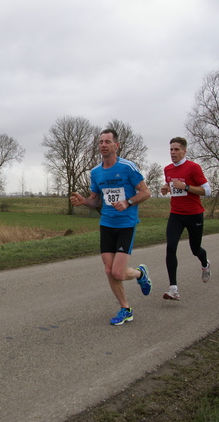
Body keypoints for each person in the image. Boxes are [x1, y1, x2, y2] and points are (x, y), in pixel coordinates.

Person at [70, 129, 153, 326]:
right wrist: (84, 201)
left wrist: (128, 202)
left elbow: (146, 192)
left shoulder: (128, 167)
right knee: (109, 271)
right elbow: (95, 200)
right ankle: (126, 309)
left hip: (126, 225)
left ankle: (141, 273)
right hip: (106, 224)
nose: (103, 145)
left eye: (107, 142)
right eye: (100, 142)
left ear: (117, 145)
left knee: (118, 272)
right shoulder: (96, 172)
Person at [160, 137, 212, 301]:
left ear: (184, 151)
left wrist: (187, 187)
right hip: (176, 214)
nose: (173, 153)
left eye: (176, 149)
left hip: (194, 214)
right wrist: (165, 189)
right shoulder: (167, 169)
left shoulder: (193, 168)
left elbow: (208, 191)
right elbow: (170, 187)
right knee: (171, 248)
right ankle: (173, 288)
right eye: (171, 150)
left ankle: (205, 263)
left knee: (195, 249)